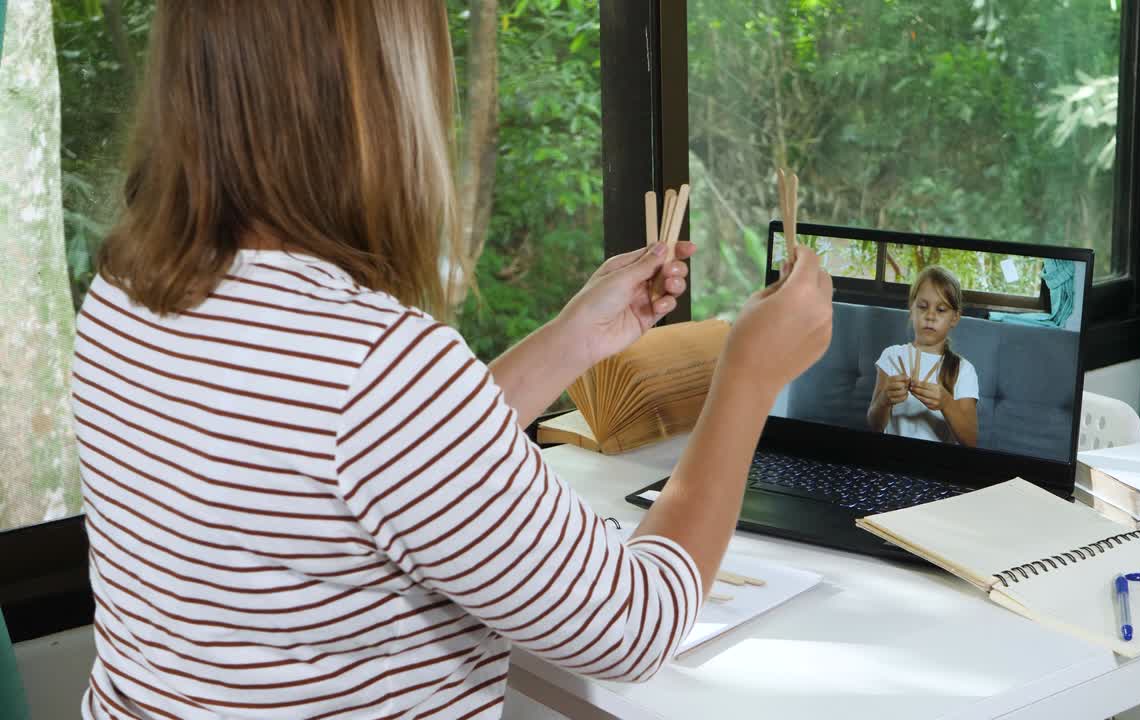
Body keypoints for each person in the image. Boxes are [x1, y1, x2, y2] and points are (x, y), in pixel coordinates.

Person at [71, 3, 833, 719]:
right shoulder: (376, 367)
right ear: (375, 96)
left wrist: (572, 338)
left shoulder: (127, 289)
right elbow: (633, 626)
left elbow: (359, 467)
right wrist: (746, 376)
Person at [866, 265, 979, 447]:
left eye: (941, 310)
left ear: (955, 318)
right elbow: (874, 425)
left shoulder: (963, 370)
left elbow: (971, 441)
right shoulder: (892, 356)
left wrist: (946, 403)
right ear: (912, 310)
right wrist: (884, 400)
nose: (930, 316)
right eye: (923, 307)